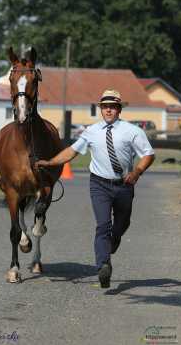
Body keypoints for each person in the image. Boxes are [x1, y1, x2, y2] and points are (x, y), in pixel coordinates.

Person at [35, 89, 155, 288]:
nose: (108, 110)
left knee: (122, 223)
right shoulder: (91, 131)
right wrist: (50, 162)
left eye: (113, 107)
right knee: (102, 225)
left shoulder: (133, 131)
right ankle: (103, 266)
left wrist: (137, 172)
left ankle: (115, 239)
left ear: (119, 109)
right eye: (105, 107)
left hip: (124, 185)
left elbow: (148, 154)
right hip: (99, 184)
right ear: (101, 109)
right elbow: (71, 152)